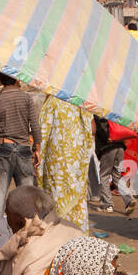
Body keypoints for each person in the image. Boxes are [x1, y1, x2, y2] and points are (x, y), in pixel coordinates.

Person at [0, 184, 85, 275]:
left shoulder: (31, 249)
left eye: (8, 214)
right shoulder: (75, 229)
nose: (7, 220)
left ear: (19, 219)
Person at [0, 72, 41, 227]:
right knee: (27, 196)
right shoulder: (26, 98)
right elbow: (35, 127)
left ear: (1, 81)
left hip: (4, 148)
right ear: (17, 79)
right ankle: (29, 230)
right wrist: (37, 148)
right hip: (24, 149)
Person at [38, 96, 94, 232]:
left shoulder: (53, 101)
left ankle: (58, 234)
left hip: (56, 161)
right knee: (77, 195)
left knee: (56, 196)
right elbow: (92, 130)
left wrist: (39, 153)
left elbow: (43, 130)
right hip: (77, 160)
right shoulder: (82, 102)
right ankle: (78, 234)